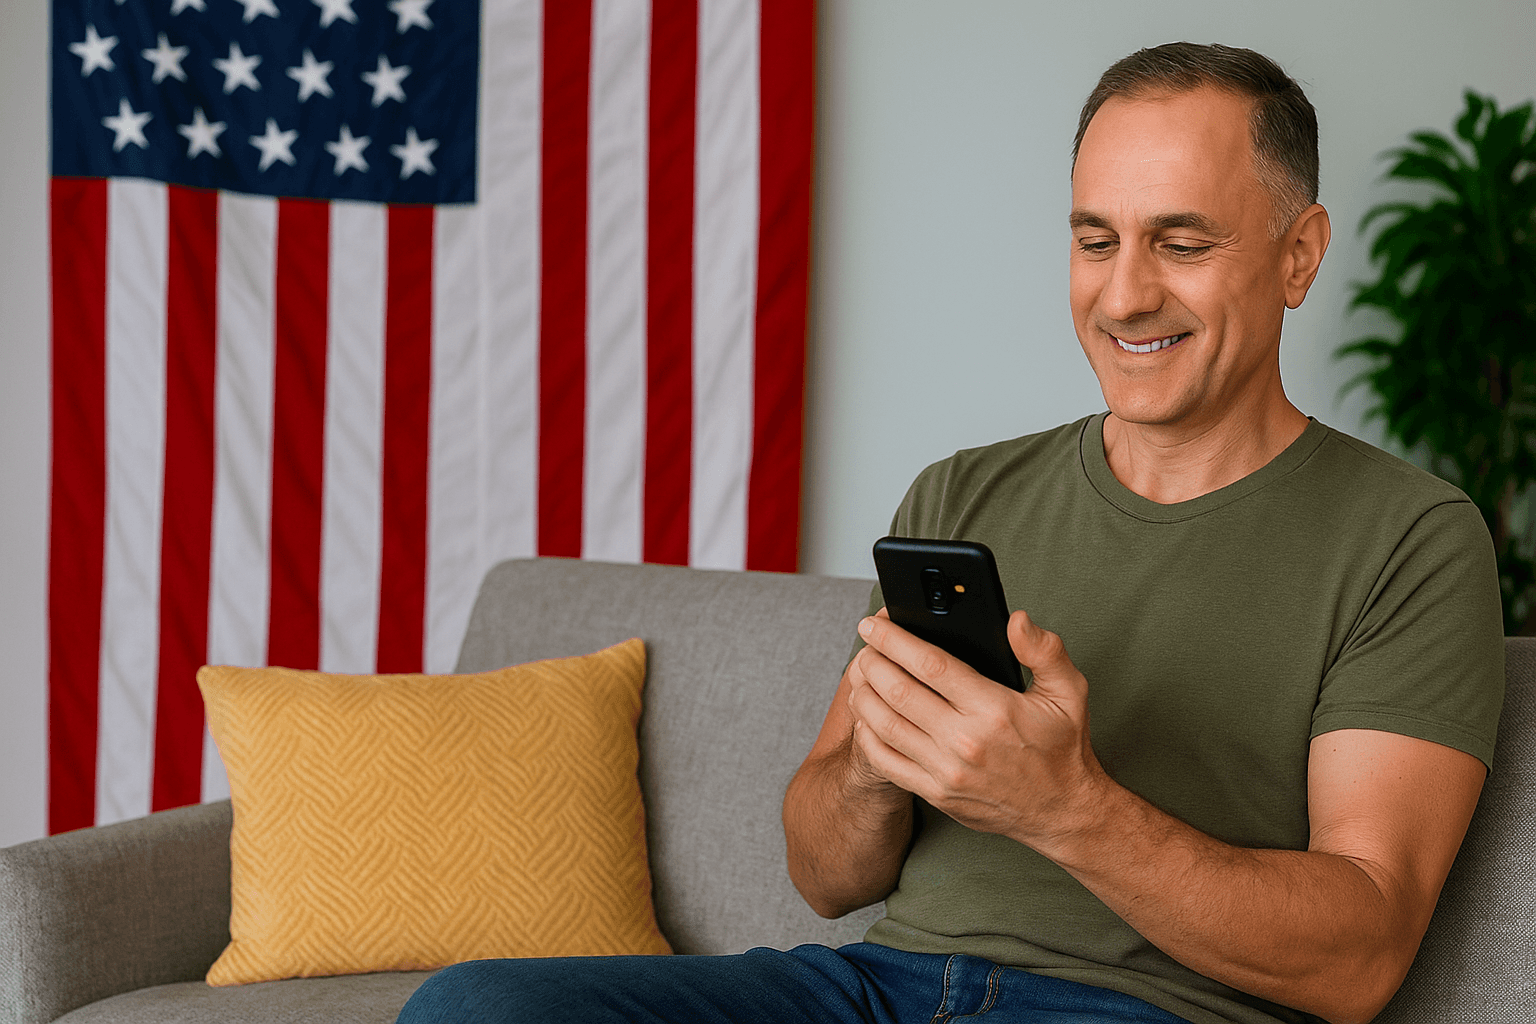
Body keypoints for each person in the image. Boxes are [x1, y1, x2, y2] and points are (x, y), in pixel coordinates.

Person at [398, 42, 1504, 1024]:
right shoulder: (964, 493)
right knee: (473, 1002)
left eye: (1180, 242)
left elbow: (1361, 956)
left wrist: (1070, 808)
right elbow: (824, 875)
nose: (1123, 296)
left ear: (1299, 254)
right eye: (1095, 238)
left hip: (1146, 1008)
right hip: (876, 986)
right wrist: (882, 766)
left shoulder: (1410, 537)